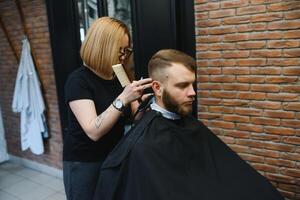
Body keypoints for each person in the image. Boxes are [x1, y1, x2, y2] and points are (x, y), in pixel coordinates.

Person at [93, 49, 284, 200]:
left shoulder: (189, 125)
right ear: (157, 88)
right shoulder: (143, 146)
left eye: (193, 84)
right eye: (183, 86)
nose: (193, 92)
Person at [63, 16, 152, 200]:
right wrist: (123, 98)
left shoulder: (119, 74)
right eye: (119, 50)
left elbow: (136, 116)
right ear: (102, 46)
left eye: (127, 50)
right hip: (85, 162)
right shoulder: (78, 80)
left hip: (115, 156)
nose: (123, 56)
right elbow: (93, 131)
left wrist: (146, 102)